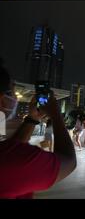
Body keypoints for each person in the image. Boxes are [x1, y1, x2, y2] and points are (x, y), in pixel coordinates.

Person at [0, 59, 77, 199]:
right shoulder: (15, 161)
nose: (14, 98)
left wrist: (33, 118)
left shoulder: (7, 154)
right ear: (1, 99)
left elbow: (11, 148)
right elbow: (69, 161)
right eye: (11, 92)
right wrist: (55, 115)